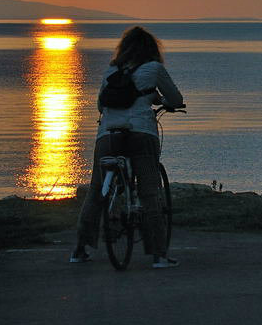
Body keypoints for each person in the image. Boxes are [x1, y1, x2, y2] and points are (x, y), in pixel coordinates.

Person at [71, 26, 183, 268]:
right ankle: (158, 255)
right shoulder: (154, 69)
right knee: (149, 192)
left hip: (109, 135)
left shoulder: (112, 71)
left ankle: (80, 249)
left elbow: (101, 105)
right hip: (141, 133)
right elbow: (175, 99)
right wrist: (160, 101)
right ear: (152, 49)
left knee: (96, 191)